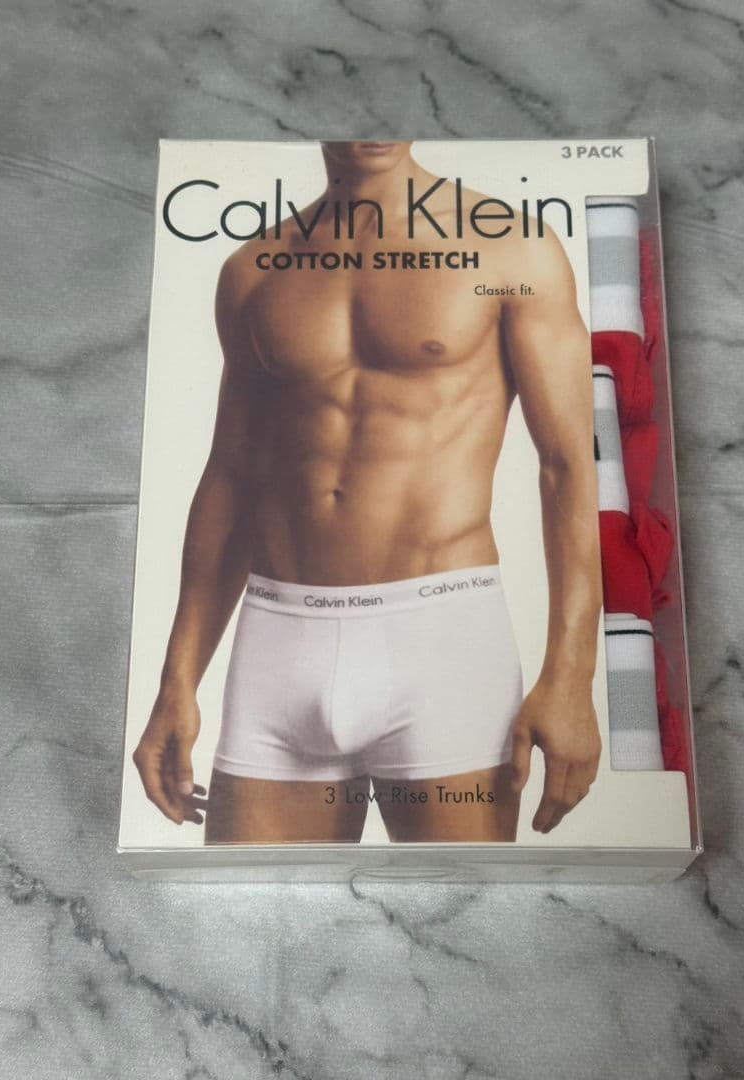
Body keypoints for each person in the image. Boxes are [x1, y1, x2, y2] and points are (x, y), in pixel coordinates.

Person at [132, 141, 602, 844]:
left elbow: (567, 465)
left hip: (443, 640)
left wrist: (571, 676)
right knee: (250, 905)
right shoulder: (255, 268)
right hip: (280, 641)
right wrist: (178, 679)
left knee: (465, 907)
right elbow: (230, 475)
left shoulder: (510, 247)